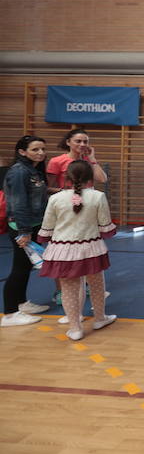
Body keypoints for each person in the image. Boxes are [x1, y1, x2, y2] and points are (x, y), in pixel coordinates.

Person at [36, 160, 117, 340]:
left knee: (69, 289)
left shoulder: (55, 198)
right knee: (96, 284)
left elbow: (47, 226)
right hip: (91, 248)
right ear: (90, 177)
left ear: (67, 177)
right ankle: (100, 318)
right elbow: (105, 227)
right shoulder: (97, 196)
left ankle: (75, 328)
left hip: (62, 250)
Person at [2, 135, 50, 327]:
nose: (41, 153)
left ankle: (22, 304)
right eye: (35, 149)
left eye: (42, 149)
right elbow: (18, 202)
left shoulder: (33, 170)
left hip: (33, 224)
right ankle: (10, 314)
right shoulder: (19, 171)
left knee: (26, 266)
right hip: (22, 226)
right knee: (19, 268)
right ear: (22, 152)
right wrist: (24, 231)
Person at [47, 129, 108, 193]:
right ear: (68, 142)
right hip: (67, 197)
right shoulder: (56, 161)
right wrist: (66, 192)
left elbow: (102, 179)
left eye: (85, 142)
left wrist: (92, 159)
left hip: (88, 197)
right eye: (78, 141)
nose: (82, 144)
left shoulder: (89, 160)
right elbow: (49, 187)